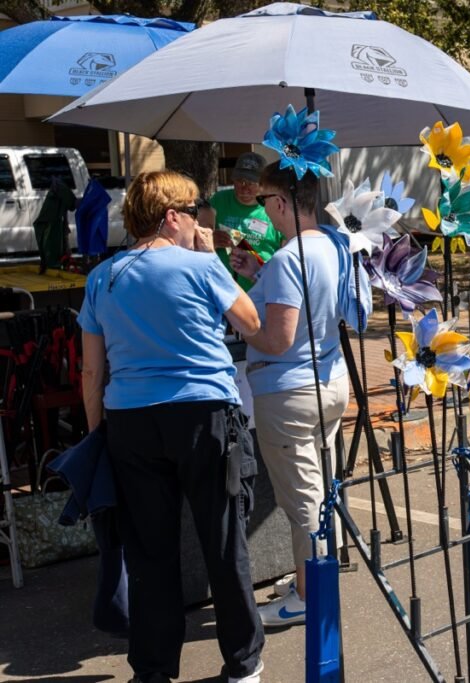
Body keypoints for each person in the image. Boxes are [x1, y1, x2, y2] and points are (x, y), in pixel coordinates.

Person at [78, 171, 265, 683]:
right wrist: (210, 258)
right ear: (172, 217)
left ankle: (154, 670)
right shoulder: (201, 267)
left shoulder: (103, 277)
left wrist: (100, 436)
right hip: (203, 413)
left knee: (149, 551)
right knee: (224, 543)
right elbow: (250, 322)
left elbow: (92, 370)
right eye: (194, 210)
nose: (200, 219)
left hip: (130, 420)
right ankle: (243, 663)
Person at [230, 162, 369, 628]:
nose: (264, 212)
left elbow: (278, 339)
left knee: (303, 502)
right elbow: (310, 303)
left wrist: (237, 312)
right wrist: (260, 272)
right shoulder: (331, 242)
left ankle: (311, 597)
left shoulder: (293, 257)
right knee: (319, 490)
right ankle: (312, 582)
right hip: (327, 381)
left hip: (289, 391)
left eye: (267, 203)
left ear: (284, 202)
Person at [205, 152, 286, 291]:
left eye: (252, 183)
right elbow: (194, 239)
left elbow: (286, 258)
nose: (245, 188)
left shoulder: (274, 206)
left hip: (261, 291)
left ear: (263, 184)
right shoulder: (218, 200)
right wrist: (210, 241)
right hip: (221, 292)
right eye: (240, 181)